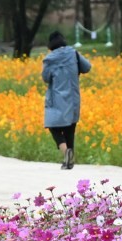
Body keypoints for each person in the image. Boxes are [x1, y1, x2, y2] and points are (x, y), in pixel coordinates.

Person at [42, 31, 91, 170]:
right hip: (73, 97)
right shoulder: (73, 53)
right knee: (70, 128)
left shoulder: (49, 59)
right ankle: (70, 159)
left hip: (56, 98)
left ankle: (66, 153)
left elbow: (46, 78)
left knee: (53, 127)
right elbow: (87, 67)